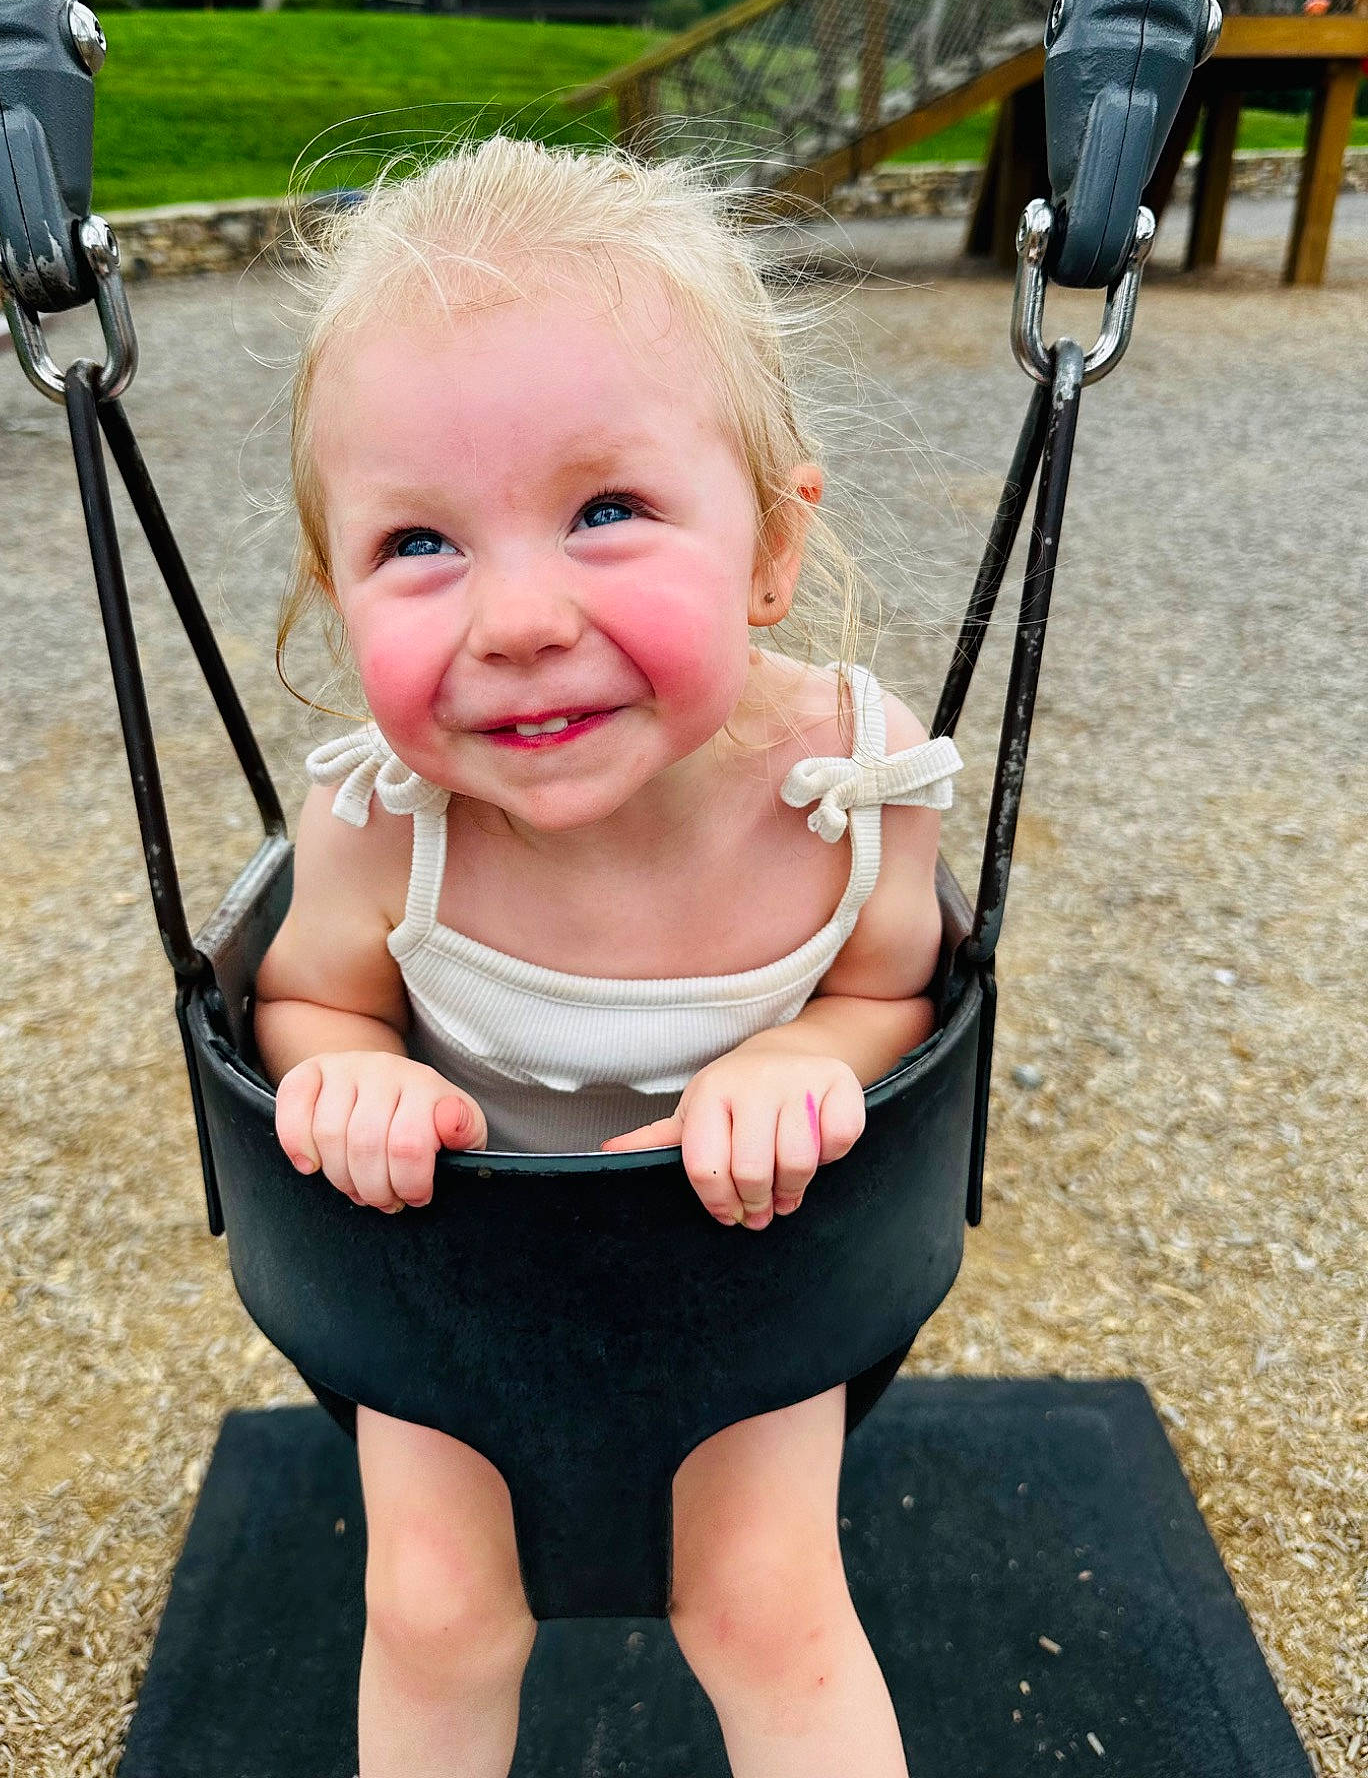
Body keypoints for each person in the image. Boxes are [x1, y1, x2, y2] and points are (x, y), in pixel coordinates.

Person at [253, 136, 962, 1778]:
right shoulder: (384, 811)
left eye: (609, 510)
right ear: (334, 586)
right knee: (434, 1607)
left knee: (767, 1604)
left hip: (749, 1267)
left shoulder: (846, 791)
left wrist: (797, 1060)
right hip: (450, 1277)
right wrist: (347, 1071)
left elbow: (888, 995)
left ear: (773, 548)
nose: (513, 619)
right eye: (417, 543)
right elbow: (304, 994)